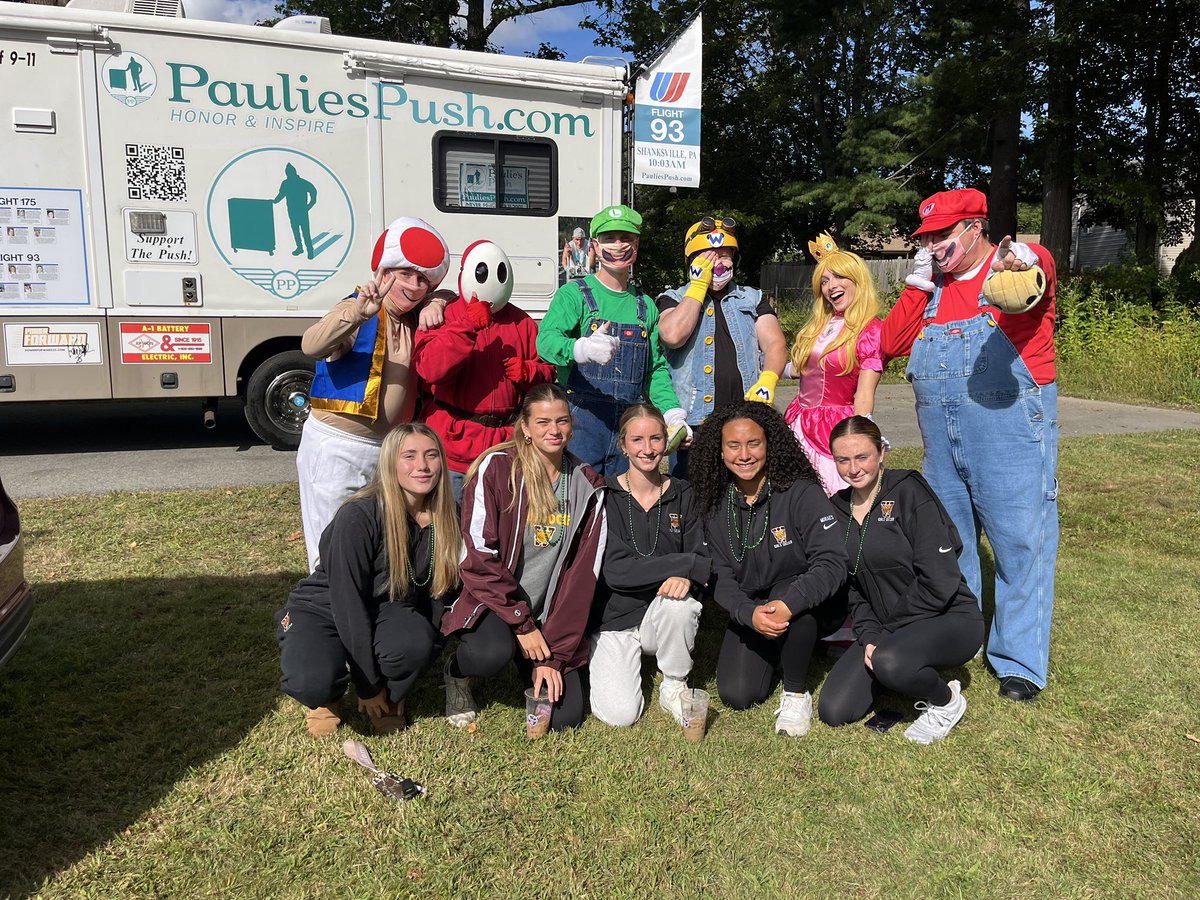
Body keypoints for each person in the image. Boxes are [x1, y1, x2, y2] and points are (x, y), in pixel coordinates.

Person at [882, 188, 1059, 702]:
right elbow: (890, 345)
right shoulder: (930, 287)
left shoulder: (1010, 272)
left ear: (974, 229)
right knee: (950, 545)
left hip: (1009, 435)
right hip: (942, 441)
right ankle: (958, 641)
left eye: (942, 235)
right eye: (927, 237)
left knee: (1020, 542)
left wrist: (1027, 255)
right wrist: (916, 288)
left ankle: (1020, 661)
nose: (934, 246)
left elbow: (1036, 270)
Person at [276, 424, 463, 737]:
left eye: (431, 455)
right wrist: (367, 685)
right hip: (326, 607)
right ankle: (328, 697)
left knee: (416, 642)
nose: (422, 465)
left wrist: (400, 680)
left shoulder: (448, 516)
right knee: (311, 680)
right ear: (390, 463)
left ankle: (388, 697)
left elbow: (440, 596)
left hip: (386, 606)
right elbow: (347, 603)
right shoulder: (359, 515)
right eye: (410, 456)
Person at [440, 383, 606, 731]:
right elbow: (478, 556)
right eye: (543, 422)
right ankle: (456, 672)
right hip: (496, 604)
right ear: (526, 428)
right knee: (490, 653)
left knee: (566, 718)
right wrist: (522, 623)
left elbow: (581, 579)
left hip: (549, 616)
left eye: (561, 421)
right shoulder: (497, 468)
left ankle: (530, 660)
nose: (554, 430)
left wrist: (555, 656)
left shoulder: (587, 485)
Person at [297, 216, 451, 572]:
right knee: (332, 545)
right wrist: (356, 312)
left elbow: (450, 293)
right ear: (384, 273)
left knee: (375, 543)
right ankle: (326, 618)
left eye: (422, 279)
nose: (413, 285)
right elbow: (312, 344)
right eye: (405, 274)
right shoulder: (359, 305)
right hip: (338, 449)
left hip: (388, 453)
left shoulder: (416, 317)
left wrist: (438, 301)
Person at [817, 416, 984, 743]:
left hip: (948, 617)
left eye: (862, 457)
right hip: (886, 629)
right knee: (835, 710)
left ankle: (946, 701)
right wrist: (869, 634)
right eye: (843, 460)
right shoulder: (835, 510)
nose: (853, 469)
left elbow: (940, 579)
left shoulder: (908, 490)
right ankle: (899, 667)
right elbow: (853, 589)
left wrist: (886, 636)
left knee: (889, 660)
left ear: (881, 452)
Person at [691, 400, 847, 736]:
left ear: (769, 445)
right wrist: (748, 614)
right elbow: (719, 574)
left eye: (754, 443)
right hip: (753, 602)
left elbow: (833, 562)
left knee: (789, 602)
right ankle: (781, 645)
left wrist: (790, 603)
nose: (744, 454)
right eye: (733, 445)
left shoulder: (800, 492)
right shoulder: (713, 502)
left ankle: (795, 693)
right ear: (720, 451)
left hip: (805, 601)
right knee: (738, 694)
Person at [536, 204, 687, 476]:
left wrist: (672, 412)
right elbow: (545, 342)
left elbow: (654, 370)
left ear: (636, 245)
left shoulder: (646, 306)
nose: (618, 246)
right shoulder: (574, 295)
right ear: (595, 244)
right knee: (578, 502)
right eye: (609, 238)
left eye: (626, 238)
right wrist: (579, 348)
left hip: (629, 430)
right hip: (581, 425)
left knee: (624, 505)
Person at [589, 404, 711, 727]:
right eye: (637, 439)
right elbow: (616, 571)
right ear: (623, 444)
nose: (648, 449)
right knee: (621, 715)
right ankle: (603, 656)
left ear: (666, 442)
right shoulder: (605, 495)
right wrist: (685, 565)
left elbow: (704, 557)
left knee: (681, 606)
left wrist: (689, 575)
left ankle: (673, 682)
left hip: (661, 613)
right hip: (616, 617)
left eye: (656, 438)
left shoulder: (684, 494)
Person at [413, 239, 555, 502]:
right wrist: (467, 324)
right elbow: (430, 369)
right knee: (451, 530)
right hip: (453, 449)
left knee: (498, 529)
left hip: (505, 449)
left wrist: (529, 372)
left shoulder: (522, 322)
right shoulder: (444, 317)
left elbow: (548, 375)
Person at [657, 216, 788, 476]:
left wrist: (768, 380)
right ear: (692, 261)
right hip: (696, 423)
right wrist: (698, 287)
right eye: (708, 256)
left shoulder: (753, 298)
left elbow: (774, 343)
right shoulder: (673, 298)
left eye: (724, 254)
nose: (717, 262)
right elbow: (672, 335)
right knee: (693, 498)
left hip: (746, 416)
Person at [783, 233, 883, 495]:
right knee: (795, 500)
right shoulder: (821, 324)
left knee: (834, 500)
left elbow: (864, 393)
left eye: (839, 277)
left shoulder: (870, 330)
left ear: (858, 281)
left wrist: (861, 435)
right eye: (825, 281)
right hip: (798, 422)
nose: (831, 286)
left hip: (834, 427)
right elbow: (802, 369)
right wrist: (765, 369)